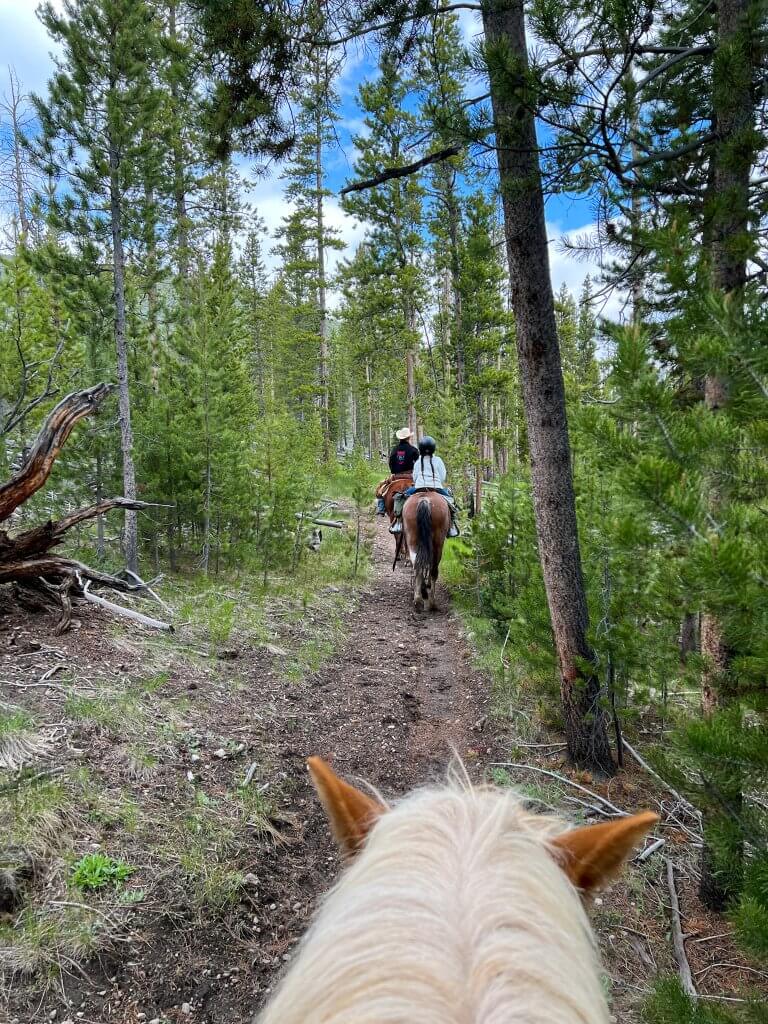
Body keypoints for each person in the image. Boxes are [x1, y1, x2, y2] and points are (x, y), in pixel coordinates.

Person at [389, 436, 459, 537]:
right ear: (433, 448)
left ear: (420, 448)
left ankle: (398, 522)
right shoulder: (438, 460)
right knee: (451, 501)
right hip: (437, 488)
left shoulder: (418, 461)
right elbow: (443, 477)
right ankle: (452, 525)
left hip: (419, 487)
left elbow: (415, 477)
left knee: (401, 497)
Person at [375, 427, 419, 515]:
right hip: (411, 476)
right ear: (409, 438)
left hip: (396, 476)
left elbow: (391, 463)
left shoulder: (394, 450)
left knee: (381, 488)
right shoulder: (414, 450)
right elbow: (418, 464)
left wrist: (395, 471)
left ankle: (381, 508)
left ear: (400, 438)